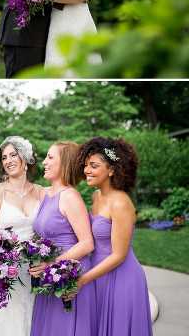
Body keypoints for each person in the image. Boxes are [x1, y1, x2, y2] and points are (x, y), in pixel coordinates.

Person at [66, 138, 153, 336]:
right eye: (86, 165)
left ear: (112, 170)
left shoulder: (121, 203)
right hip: (99, 276)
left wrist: (83, 279)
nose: (87, 170)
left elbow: (119, 255)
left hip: (121, 279)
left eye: (94, 165)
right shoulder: (96, 196)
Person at [29, 142, 96, 336]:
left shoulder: (70, 197)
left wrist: (52, 264)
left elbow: (87, 243)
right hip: (49, 276)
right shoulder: (47, 194)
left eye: (50, 158)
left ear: (64, 163)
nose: (44, 162)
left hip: (67, 276)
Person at [0, 136, 45, 336]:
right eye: (4, 157)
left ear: (25, 158)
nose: (8, 160)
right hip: (5, 273)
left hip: (35, 270)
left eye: (13, 155)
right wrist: (1, 261)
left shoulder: (42, 193)